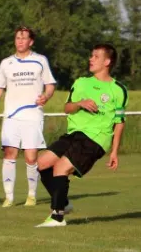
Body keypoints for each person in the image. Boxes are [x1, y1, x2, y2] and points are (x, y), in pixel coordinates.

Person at [35, 44, 127, 227]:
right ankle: (64, 203)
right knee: (42, 163)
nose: (90, 59)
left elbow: (119, 122)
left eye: (95, 56)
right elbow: (67, 108)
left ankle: (57, 217)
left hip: (95, 139)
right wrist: (80, 103)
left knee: (60, 168)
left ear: (107, 62)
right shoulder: (81, 83)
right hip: (74, 134)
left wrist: (114, 151)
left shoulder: (118, 90)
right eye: (91, 56)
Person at [0, 26, 56, 207]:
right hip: (11, 116)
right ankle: (9, 197)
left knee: (31, 157)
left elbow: (50, 84)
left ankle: (31, 195)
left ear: (31, 41)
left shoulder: (40, 61)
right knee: (9, 153)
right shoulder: (6, 63)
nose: (20, 41)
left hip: (32, 116)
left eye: (24, 38)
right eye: (17, 38)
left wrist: (45, 96)